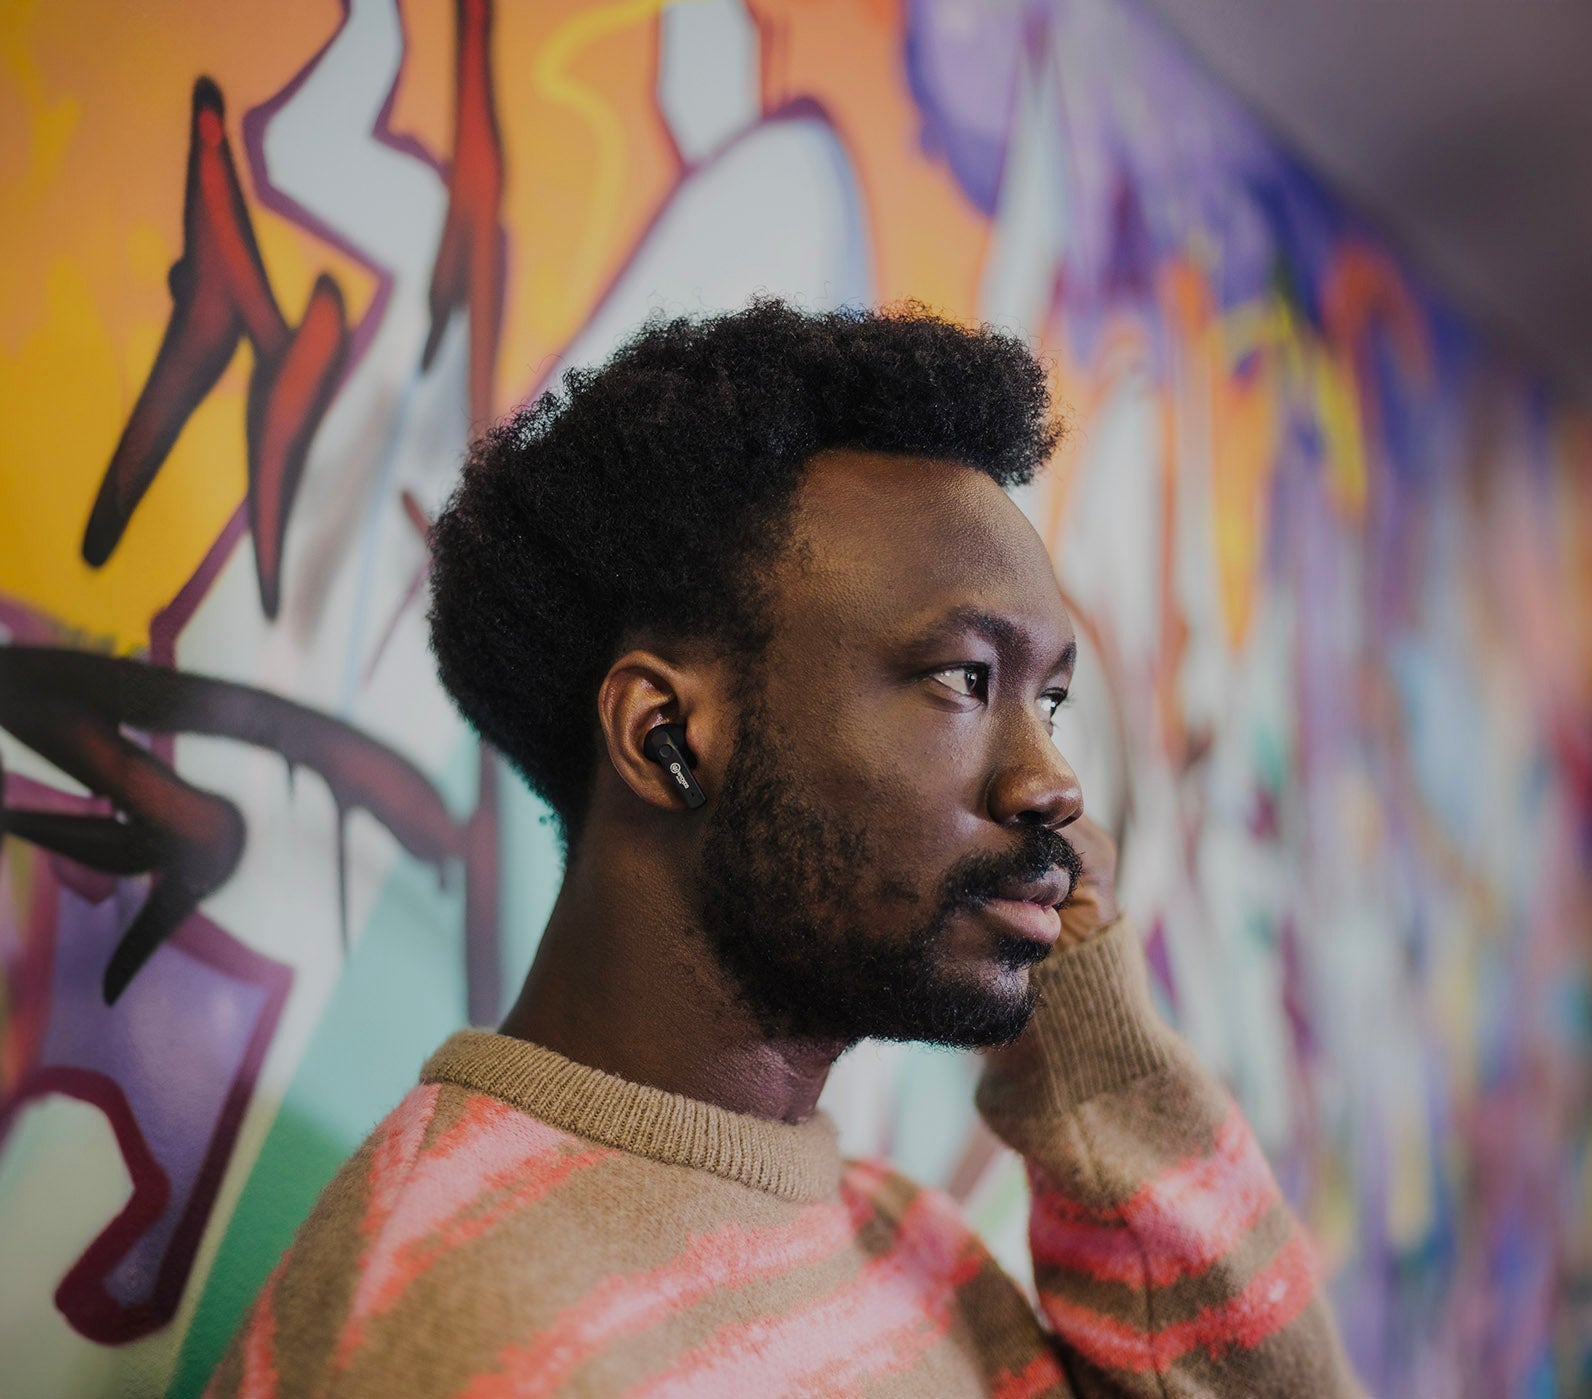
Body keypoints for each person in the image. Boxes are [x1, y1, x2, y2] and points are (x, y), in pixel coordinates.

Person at [210, 301, 1361, 1396]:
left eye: (1048, 700)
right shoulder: (465, 1330)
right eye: (965, 679)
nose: (1054, 782)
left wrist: (1089, 1025)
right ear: (665, 736)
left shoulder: (905, 1242)